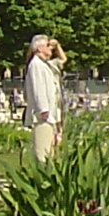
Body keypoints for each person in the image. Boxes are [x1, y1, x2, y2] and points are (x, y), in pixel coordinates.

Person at [22, 34, 65, 162]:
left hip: (50, 116)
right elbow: (38, 87)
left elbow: (63, 59)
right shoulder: (35, 64)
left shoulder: (45, 64)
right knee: (42, 153)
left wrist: (56, 46)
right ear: (39, 48)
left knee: (49, 152)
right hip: (43, 117)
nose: (50, 48)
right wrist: (43, 110)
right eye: (47, 45)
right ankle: (41, 178)